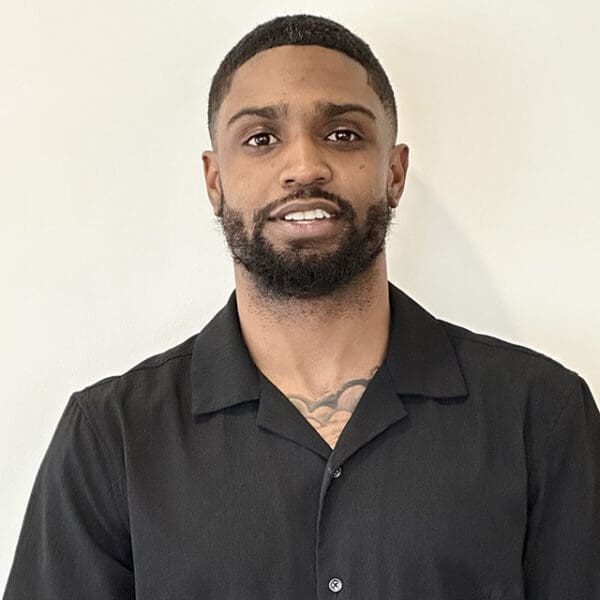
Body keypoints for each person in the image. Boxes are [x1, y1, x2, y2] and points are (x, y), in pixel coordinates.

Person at [4, 13, 599, 600]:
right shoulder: (112, 438)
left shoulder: (540, 415)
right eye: (261, 139)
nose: (305, 166)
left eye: (343, 134)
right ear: (215, 181)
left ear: (394, 172)